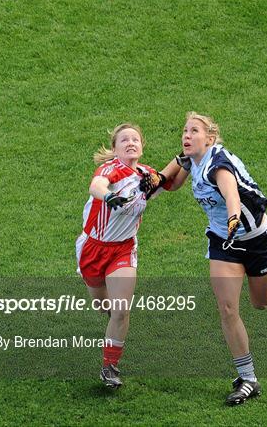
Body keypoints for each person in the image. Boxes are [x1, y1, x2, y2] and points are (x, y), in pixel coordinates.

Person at [142, 112, 267, 406]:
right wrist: (152, 182)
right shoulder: (191, 159)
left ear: (209, 138)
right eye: (184, 130)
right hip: (223, 242)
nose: (186, 134)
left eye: (194, 130)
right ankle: (248, 378)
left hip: (254, 237)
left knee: (261, 303)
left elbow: (231, 194)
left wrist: (234, 219)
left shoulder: (218, 164)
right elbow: (171, 180)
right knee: (228, 308)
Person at [75, 123, 176, 388]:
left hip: (123, 248)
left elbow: (170, 182)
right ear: (115, 148)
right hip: (93, 248)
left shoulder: (146, 174)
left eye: (135, 139)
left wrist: (183, 162)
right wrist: (108, 197)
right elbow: (97, 185)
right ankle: (115, 331)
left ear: (142, 145)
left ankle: (109, 368)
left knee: (121, 310)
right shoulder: (111, 169)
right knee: (102, 306)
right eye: (124, 140)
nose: (131, 143)